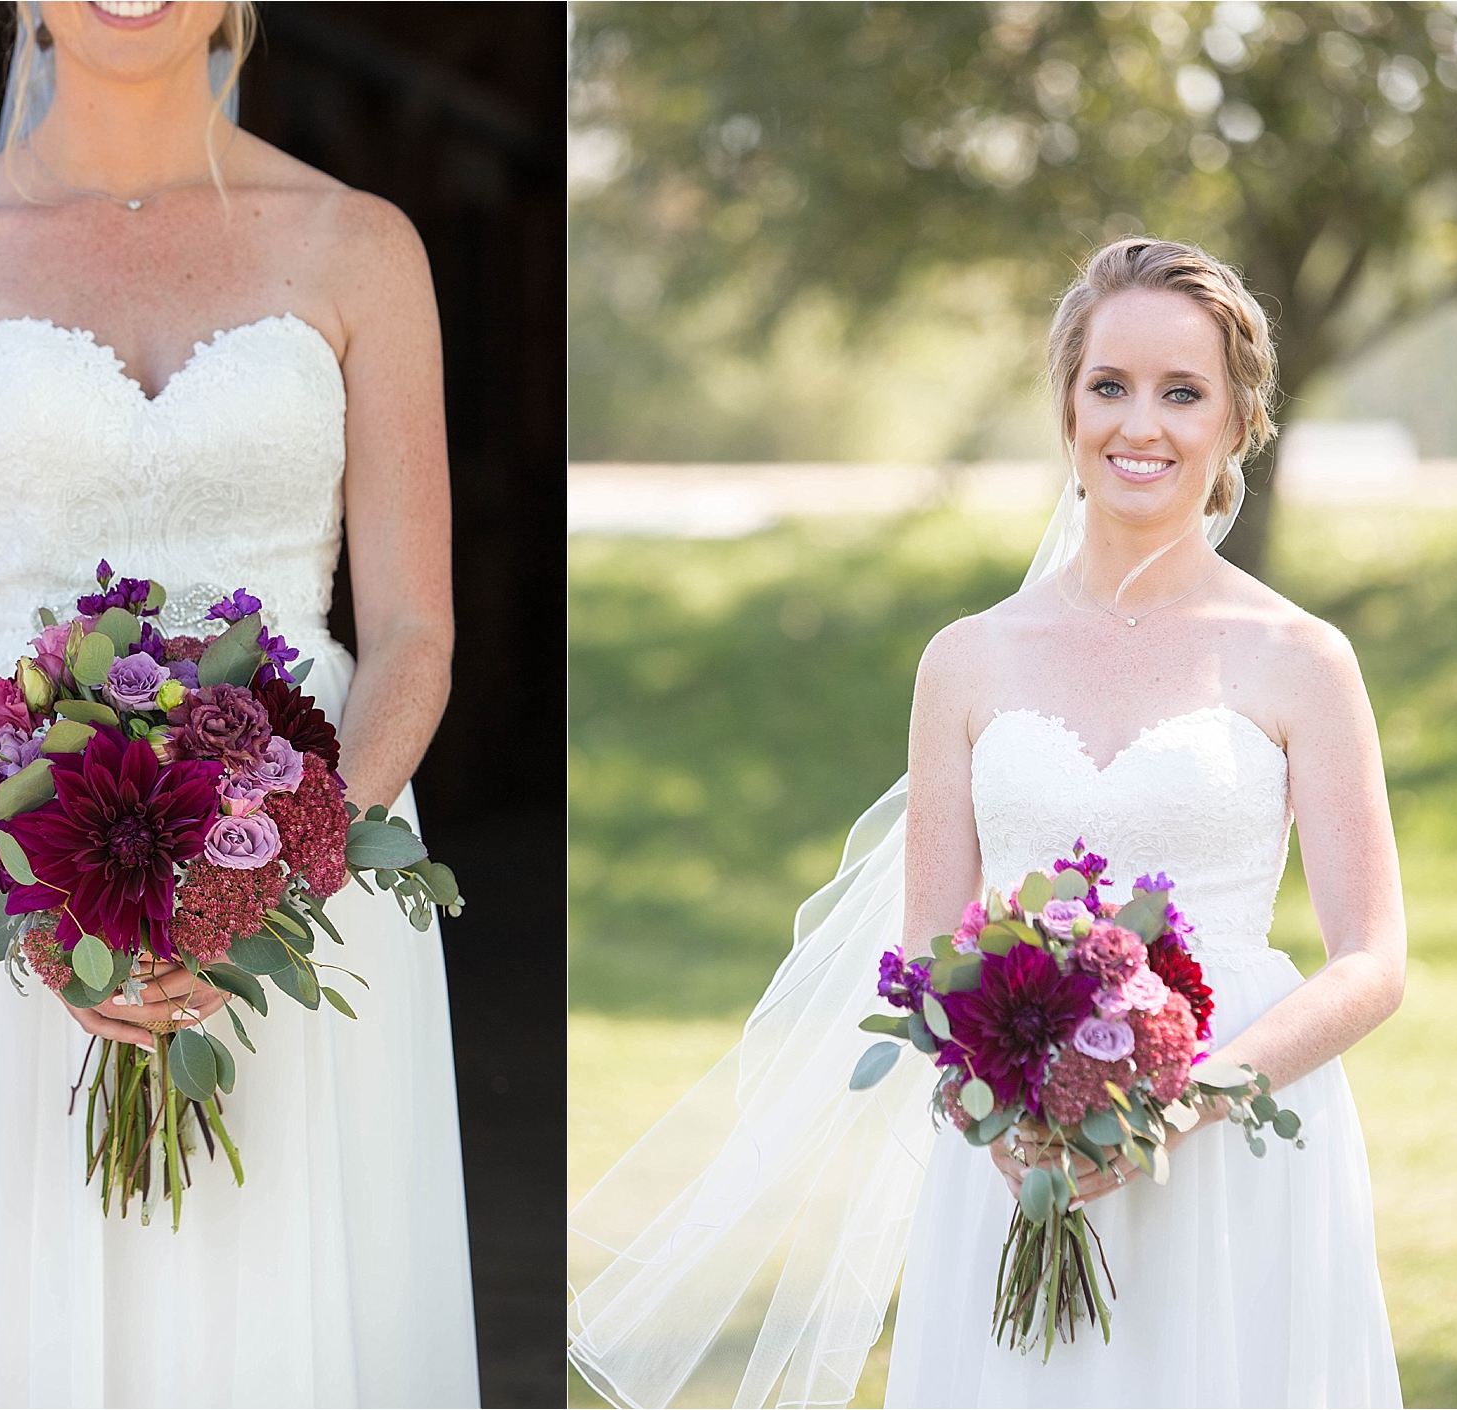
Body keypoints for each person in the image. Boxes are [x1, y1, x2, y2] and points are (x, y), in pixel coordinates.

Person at [567, 239, 1403, 1409]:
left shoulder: (1301, 660)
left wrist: (1186, 1099)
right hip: (1013, 1149)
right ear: (1065, 401)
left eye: (1181, 392)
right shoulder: (965, 660)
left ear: (1237, 419)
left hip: (1237, 1149)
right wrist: (991, 1101)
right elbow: (920, 956)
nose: (1138, 425)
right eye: (1108, 385)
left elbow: (1370, 958)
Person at [0, 4, 478, 1404]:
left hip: (313, 874)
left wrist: (289, 858)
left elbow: (413, 629)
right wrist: (20, 885)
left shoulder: (363, 246)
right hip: (2, 893)